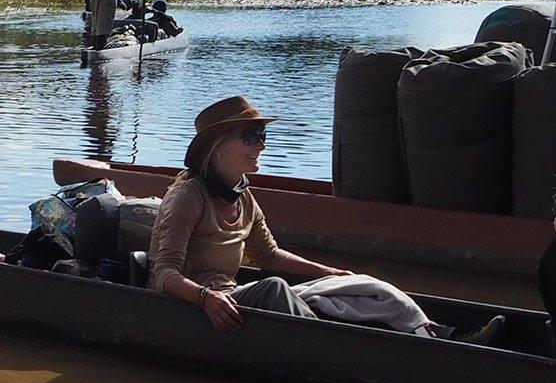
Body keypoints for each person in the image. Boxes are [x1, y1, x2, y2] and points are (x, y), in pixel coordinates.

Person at [150, 96, 506, 346]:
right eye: (250, 137)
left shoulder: (243, 196)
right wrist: (205, 299)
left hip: (236, 297)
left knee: (365, 286)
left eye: (262, 136)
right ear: (217, 146)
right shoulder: (188, 196)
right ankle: (337, 347)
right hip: (206, 304)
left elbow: (269, 255)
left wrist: (330, 274)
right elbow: (163, 273)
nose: (260, 146)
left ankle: (440, 339)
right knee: (275, 288)